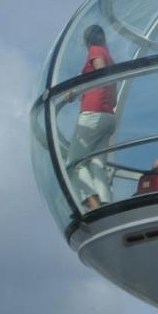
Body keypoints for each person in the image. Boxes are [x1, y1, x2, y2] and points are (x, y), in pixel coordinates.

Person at [66, 24, 116, 210]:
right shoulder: (109, 55)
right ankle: (105, 205)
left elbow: (100, 74)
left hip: (93, 112)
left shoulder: (95, 51)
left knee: (74, 163)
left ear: (86, 41)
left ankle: (93, 204)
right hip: (108, 115)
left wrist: (76, 90)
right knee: (96, 163)